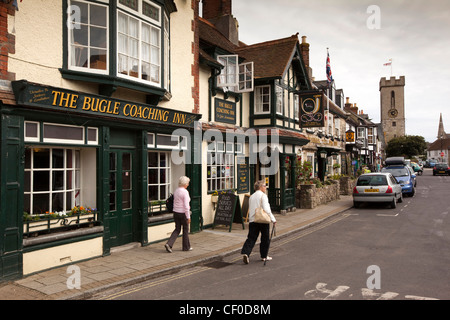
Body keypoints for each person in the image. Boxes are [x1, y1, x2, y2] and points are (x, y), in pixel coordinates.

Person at [241, 180, 276, 264]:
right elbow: (266, 209)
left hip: (253, 220)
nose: (265, 187)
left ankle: (246, 253)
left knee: (251, 238)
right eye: (264, 186)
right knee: (265, 238)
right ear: (260, 187)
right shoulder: (263, 196)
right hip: (263, 220)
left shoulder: (252, 196)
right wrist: (273, 219)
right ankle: (264, 256)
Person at [165, 176, 192, 252]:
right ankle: (186, 247)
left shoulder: (176, 191)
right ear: (185, 184)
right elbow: (186, 206)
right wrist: (188, 217)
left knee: (177, 229)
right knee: (185, 230)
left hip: (176, 212)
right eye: (187, 183)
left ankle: (169, 244)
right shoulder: (185, 192)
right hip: (183, 213)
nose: (188, 185)